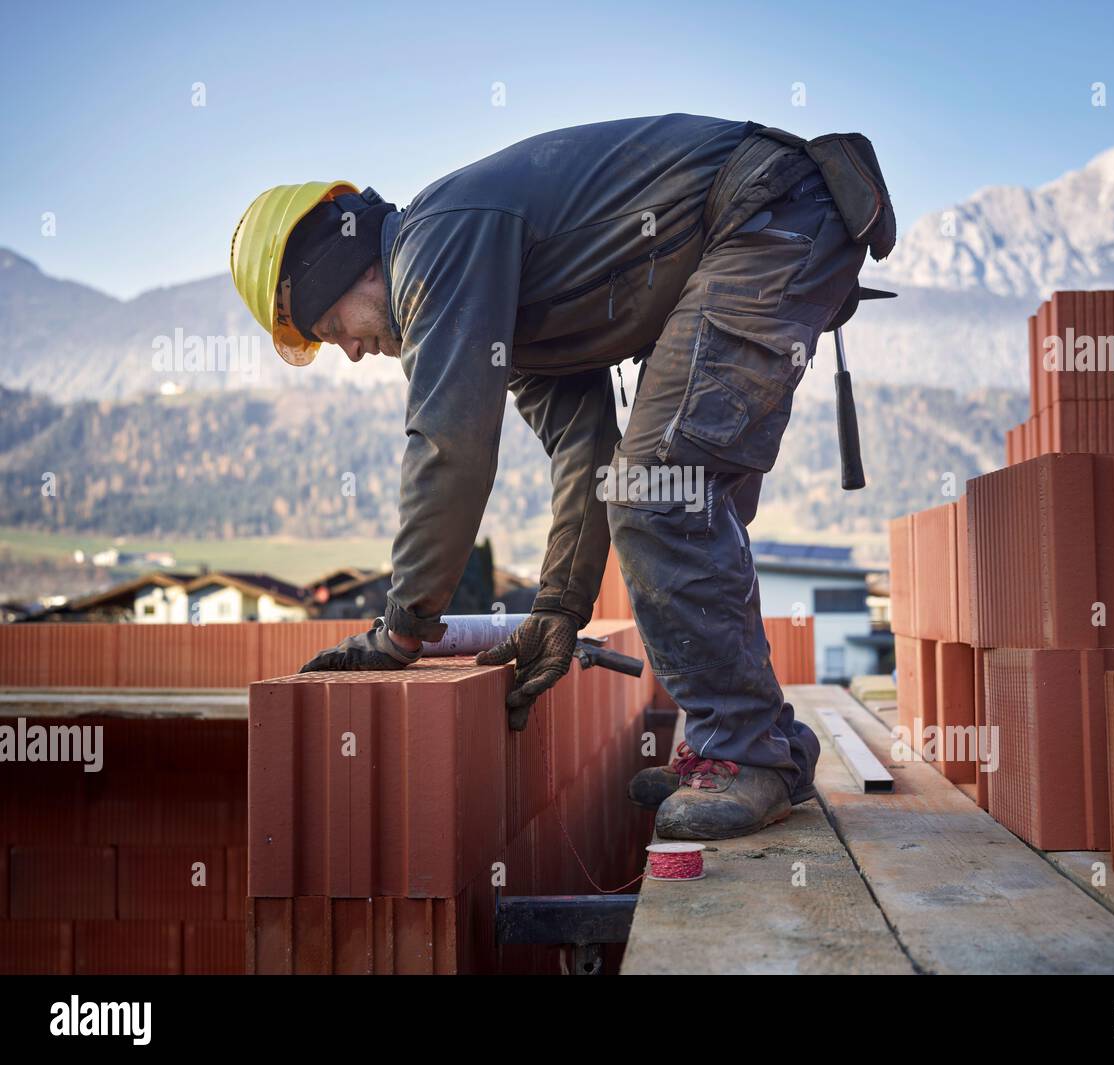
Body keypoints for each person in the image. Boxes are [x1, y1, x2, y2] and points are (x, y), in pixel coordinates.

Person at [229, 114, 894, 840]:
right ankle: (754, 747)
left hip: (769, 215)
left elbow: (449, 446)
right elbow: (587, 457)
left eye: (332, 330)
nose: (351, 353)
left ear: (342, 269)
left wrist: (402, 628)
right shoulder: (500, 305)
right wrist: (556, 610)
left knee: (660, 488)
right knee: (661, 491)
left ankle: (744, 753)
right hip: (765, 224)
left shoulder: (437, 246)